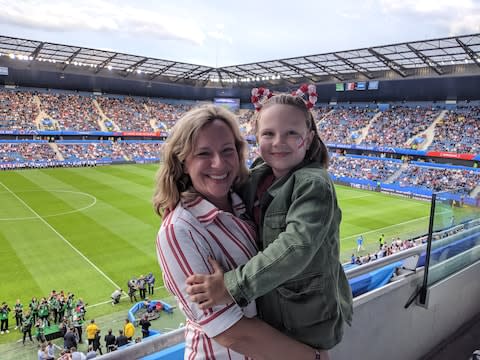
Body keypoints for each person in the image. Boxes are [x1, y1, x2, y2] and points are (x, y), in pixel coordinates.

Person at [185, 94, 353, 353]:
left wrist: (230, 286)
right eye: (268, 134)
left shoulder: (313, 184)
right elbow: (216, 182)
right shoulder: (259, 174)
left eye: (291, 134)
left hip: (305, 325)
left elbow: (295, 247)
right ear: (256, 138)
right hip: (272, 320)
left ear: (307, 140)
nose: (278, 143)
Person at [154, 105, 320, 359]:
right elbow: (230, 331)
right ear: (183, 162)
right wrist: (312, 357)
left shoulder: (247, 202)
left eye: (227, 150)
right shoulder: (179, 230)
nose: (218, 163)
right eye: (203, 153)